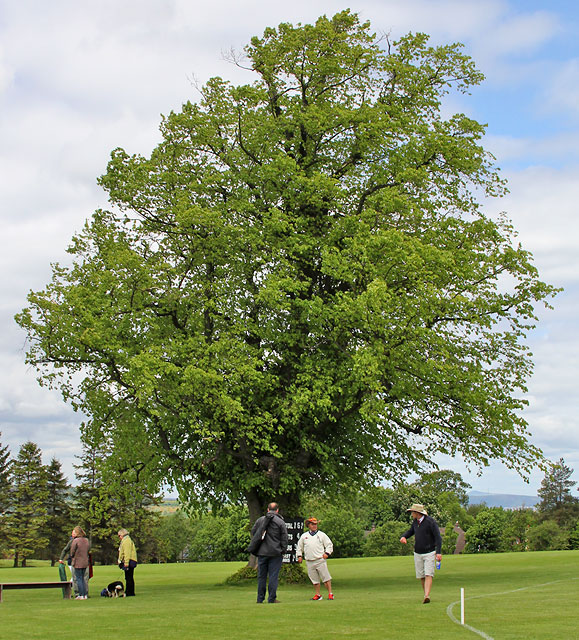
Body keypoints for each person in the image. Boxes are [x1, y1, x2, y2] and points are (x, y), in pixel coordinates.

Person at [400, 503, 442, 604]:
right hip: (418, 552)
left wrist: (438, 552)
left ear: (417, 513)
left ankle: (427, 595)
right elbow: (411, 531)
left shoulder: (430, 522)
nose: (411, 514)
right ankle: (425, 595)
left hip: (430, 552)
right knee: (421, 576)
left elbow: (438, 537)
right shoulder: (415, 522)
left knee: (428, 574)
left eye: (412, 512)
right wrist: (404, 536)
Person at [251, 502, 288, 603]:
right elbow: (284, 538)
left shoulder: (260, 520)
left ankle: (260, 598)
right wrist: (283, 550)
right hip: (275, 553)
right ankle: (271, 598)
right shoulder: (280, 522)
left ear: (268, 509)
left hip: (262, 552)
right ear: (277, 510)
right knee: (273, 576)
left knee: (261, 576)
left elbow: (254, 532)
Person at [297, 517, 334, 600]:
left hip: (320, 560)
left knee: (326, 578)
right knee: (314, 579)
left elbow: (329, 545)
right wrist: (299, 556)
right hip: (309, 561)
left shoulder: (321, 535)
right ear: (308, 525)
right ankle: (318, 594)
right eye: (312, 524)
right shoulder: (304, 536)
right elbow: (299, 547)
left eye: (315, 524)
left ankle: (330, 593)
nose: (314, 526)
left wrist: (327, 553)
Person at [70, 526, 90, 600]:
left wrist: (72, 556)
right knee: (83, 579)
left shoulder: (76, 541)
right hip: (85, 561)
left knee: (79, 578)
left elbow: (72, 551)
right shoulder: (86, 540)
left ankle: (81, 594)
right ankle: (85, 594)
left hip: (78, 562)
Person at [117, 528, 138, 596]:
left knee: (129, 577)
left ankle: (129, 592)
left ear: (122, 535)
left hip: (130, 561)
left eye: (119, 536)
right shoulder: (125, 540)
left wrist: (126, 563)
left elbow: (127, 552)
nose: (119, 537)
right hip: (129, 560)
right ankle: (130, 591)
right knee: (129, 577)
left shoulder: (126, 541)